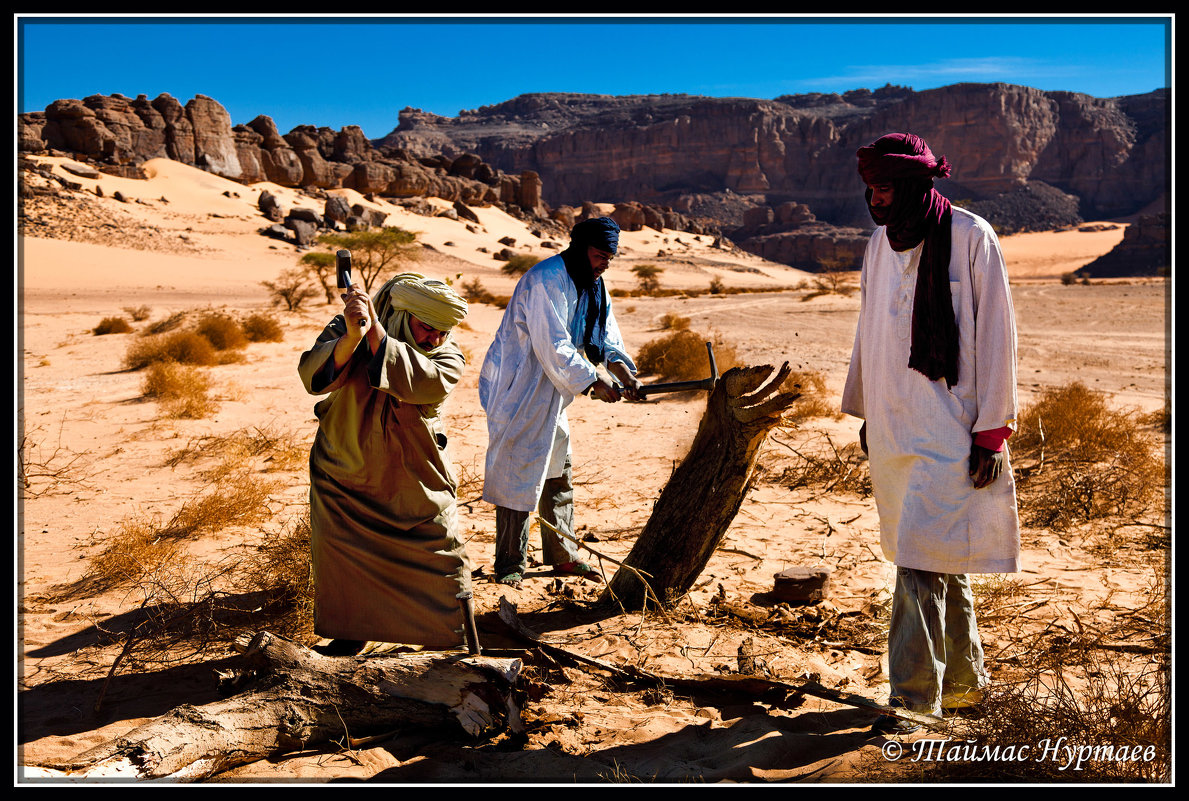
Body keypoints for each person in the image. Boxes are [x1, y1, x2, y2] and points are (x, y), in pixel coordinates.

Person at [840, 133, 1021, 734]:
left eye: (886, 186)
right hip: (894, 429)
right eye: (870, 187)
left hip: (952, 428)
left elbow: (997, 337)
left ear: (919, 185)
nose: (876, 197)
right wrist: (867, 411)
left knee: (920, 558)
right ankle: (966, 688)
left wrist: (991, 433)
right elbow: (870, 330)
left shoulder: (972, 237)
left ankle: (914, 698)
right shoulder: (876, 244)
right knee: (940, 558)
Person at [298, 271, 473, 654]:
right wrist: (353, 336)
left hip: (415, 478)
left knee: (443, 555)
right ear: (402, 314)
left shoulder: (447, 352)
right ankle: (349, 636)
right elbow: (314, 376)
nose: (435, 339)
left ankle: (453, 643)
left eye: (442, 331)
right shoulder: (349, 326)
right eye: (427, 328)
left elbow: (422, 383)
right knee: (345, 561)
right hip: (344, 469)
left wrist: (374, 330)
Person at [479, 217, 643, 587]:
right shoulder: (546, 280)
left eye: (610, 258)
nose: (605, 263)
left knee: (558, 471)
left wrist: (624, 375)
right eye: (600, 255)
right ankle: (509, 564)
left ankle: (563, 556)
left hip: (553, 393)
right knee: (518, 475)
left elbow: (607, 338)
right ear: (580, 248)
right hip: (519, 389)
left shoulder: (595, 287)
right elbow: (554, 346)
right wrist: (594, 381)